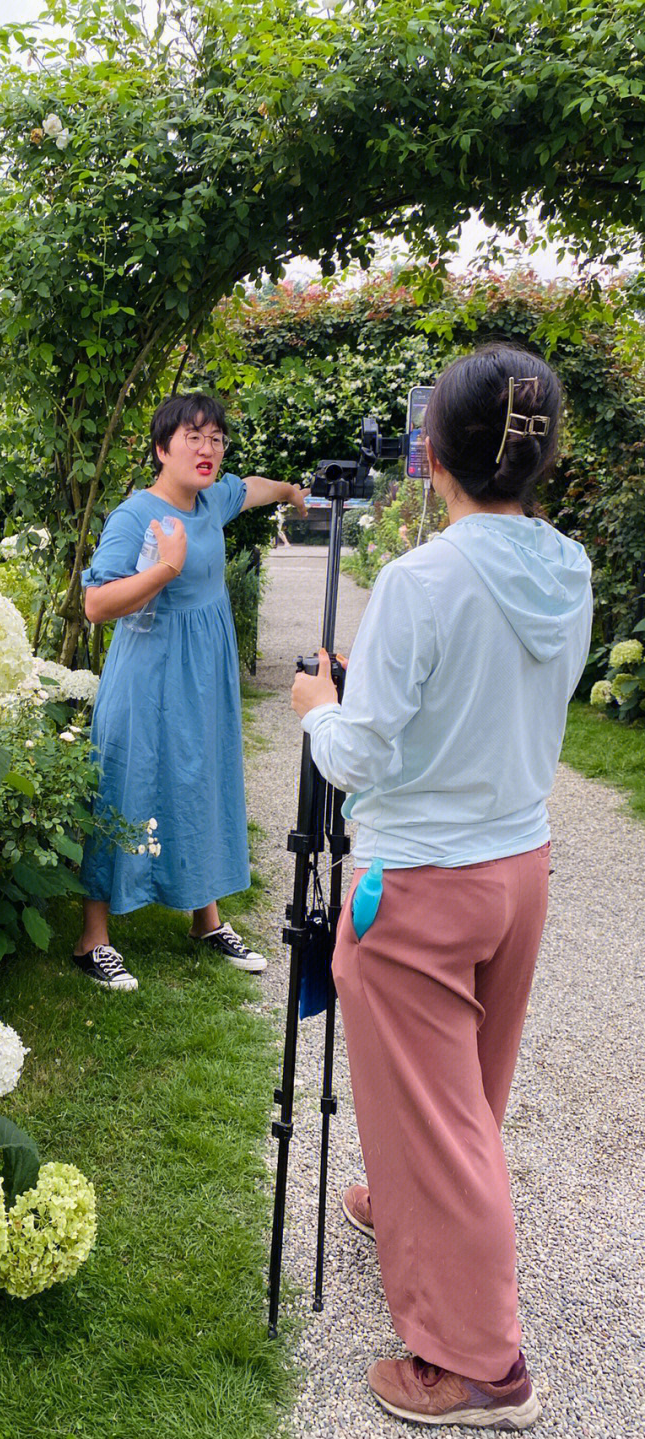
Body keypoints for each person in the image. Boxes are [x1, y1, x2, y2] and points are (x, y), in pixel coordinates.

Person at [291, 344, 592, 1431]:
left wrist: (318, 702)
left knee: (437, 1105)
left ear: (430, 453)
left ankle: (477, 1362)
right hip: (519, 863)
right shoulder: (569, 567)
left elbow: (357, 756)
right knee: (465, 1086)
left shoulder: (422, 578)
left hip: (419, 878)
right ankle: (416, 1205)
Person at [74, 391, 308, 991]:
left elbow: (249, 487)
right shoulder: (136, 516)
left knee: (201, 780)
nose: (208, 449)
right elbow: (96, 604)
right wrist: (165, 570)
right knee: (126, 784)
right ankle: (92, 938)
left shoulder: (212, 500)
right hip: (148, 677)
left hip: (202, 677)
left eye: (216, 438)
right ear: (162, 448)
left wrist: (288, 490)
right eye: (193, 438)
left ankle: (205, 920)